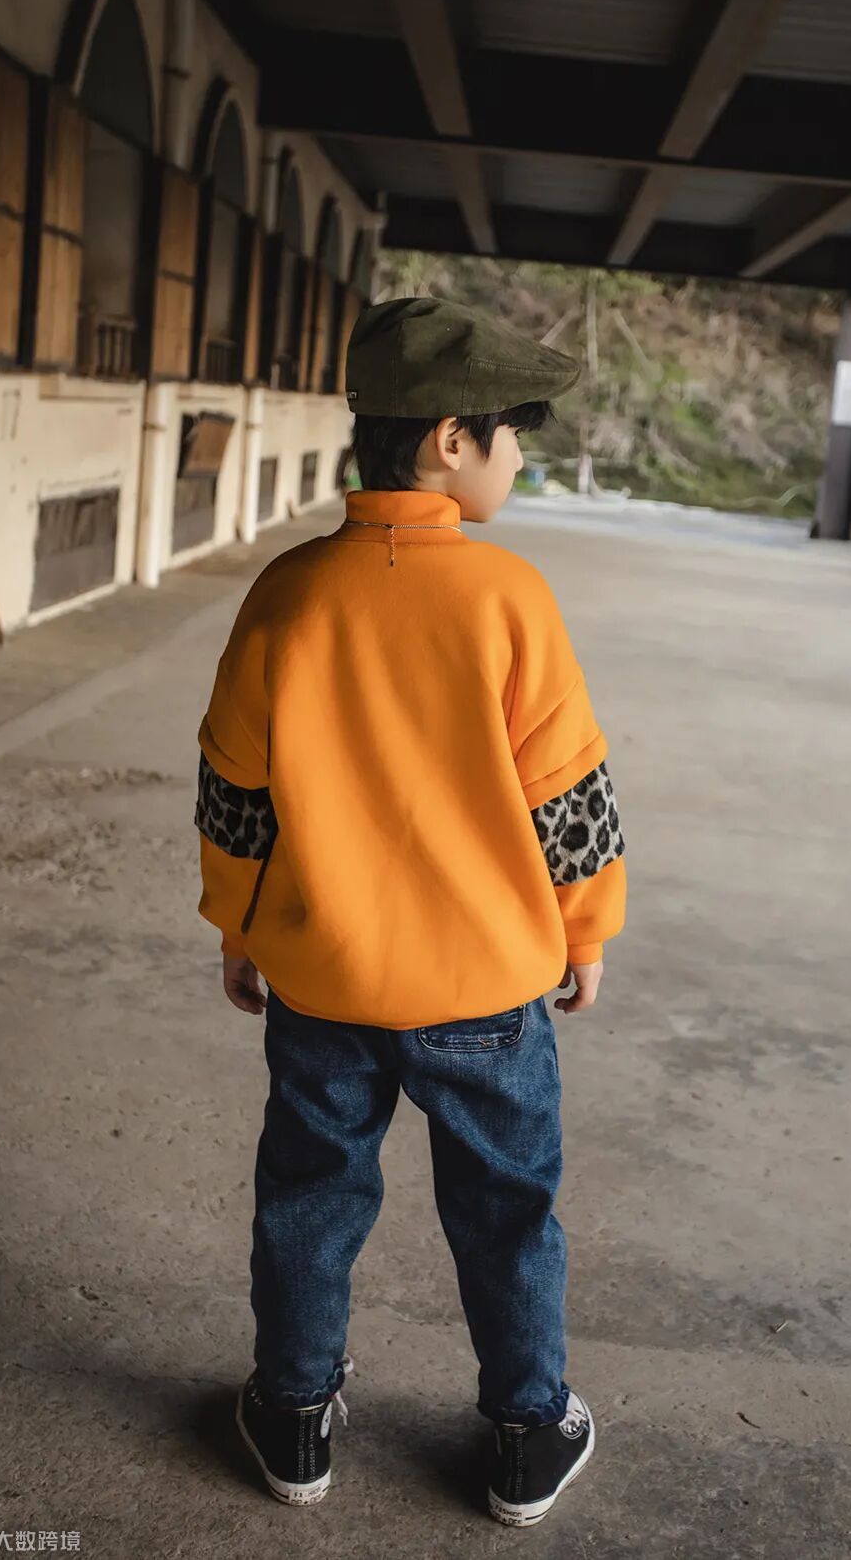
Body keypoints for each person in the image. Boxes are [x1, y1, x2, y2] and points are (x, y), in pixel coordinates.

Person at [194, 295, 627, 1526]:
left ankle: (292, 1414)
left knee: (310, 1195)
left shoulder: (287, 592)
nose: (518, 456)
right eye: (512, 434)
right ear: (449, 439)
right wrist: (585, 928)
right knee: (505, 1208)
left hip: (324, 978)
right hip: (485, 986)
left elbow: (235, 787)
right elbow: (568, 794)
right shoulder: (509, 597)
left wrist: (239, 922)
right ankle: (527, 1431)